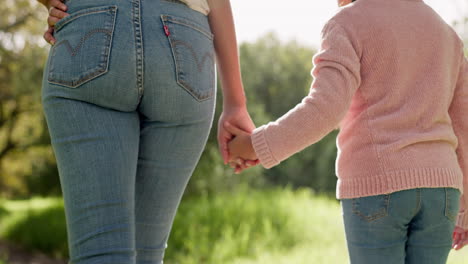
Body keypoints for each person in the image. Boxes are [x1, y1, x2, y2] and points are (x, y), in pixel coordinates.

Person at [226, 0, 468, 263]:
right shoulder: (447, 35)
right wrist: (465, 209)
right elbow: (463, 125)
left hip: (379, 185)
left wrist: (255, 145)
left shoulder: (347, 23)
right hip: (443, 192)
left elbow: (325, 108)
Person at [37, 0, 256, 263]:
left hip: (91, 28)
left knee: (99, 252)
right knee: (146, 254)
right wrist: (236, 103)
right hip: (184, 40)